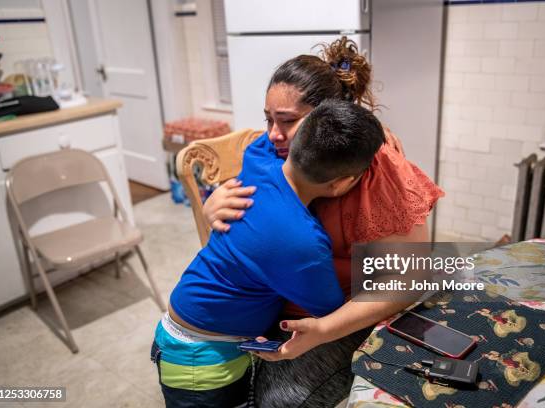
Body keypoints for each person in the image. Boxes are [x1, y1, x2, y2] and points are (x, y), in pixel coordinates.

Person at [202, 37, 445, 407]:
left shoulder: (378, 171)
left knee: (281, 401)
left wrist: (323, 330)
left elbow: (408, 279)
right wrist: (212, 207)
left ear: (325, 119)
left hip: (346, 314)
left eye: (287, 121)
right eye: (268, 118)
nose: (272, 134)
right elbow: (247, 230)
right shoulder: (271, 150)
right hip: (272, 304)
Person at [151, 100, 386, 408]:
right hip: (204, 361)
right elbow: (330, 309)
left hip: (186, 329)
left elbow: (271, 139)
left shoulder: (259, 158)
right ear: (342, 183)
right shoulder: (303, 244)